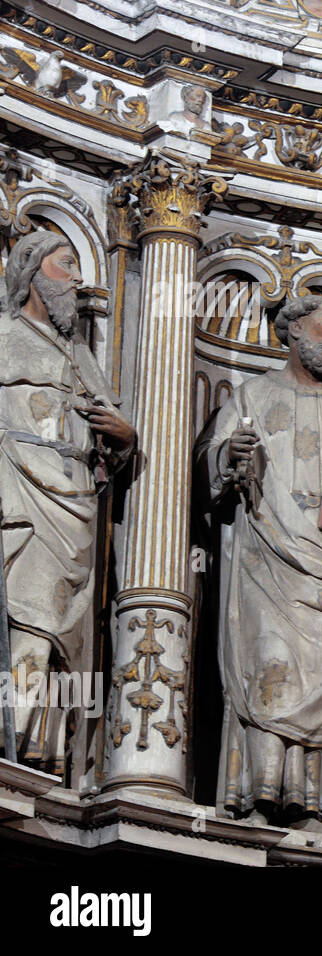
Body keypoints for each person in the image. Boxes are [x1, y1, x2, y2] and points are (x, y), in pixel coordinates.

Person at [195, 294, 322, 830]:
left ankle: (317, 805)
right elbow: (207, 472)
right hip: (267, 566)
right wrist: (227, 456)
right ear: (296, 330)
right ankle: (259, 797)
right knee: (270, 671)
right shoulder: (251, 397)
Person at [0, 229, 135, 771]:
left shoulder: (81, 355)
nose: (78, 279)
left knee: (59, 628)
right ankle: (9, 735)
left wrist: (124, 439)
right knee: (24, 616)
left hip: (75, 498)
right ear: (31, 271)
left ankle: (43, 750)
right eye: (65, 265)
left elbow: (109, 444)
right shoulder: (4, 335)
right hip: (19, 493)